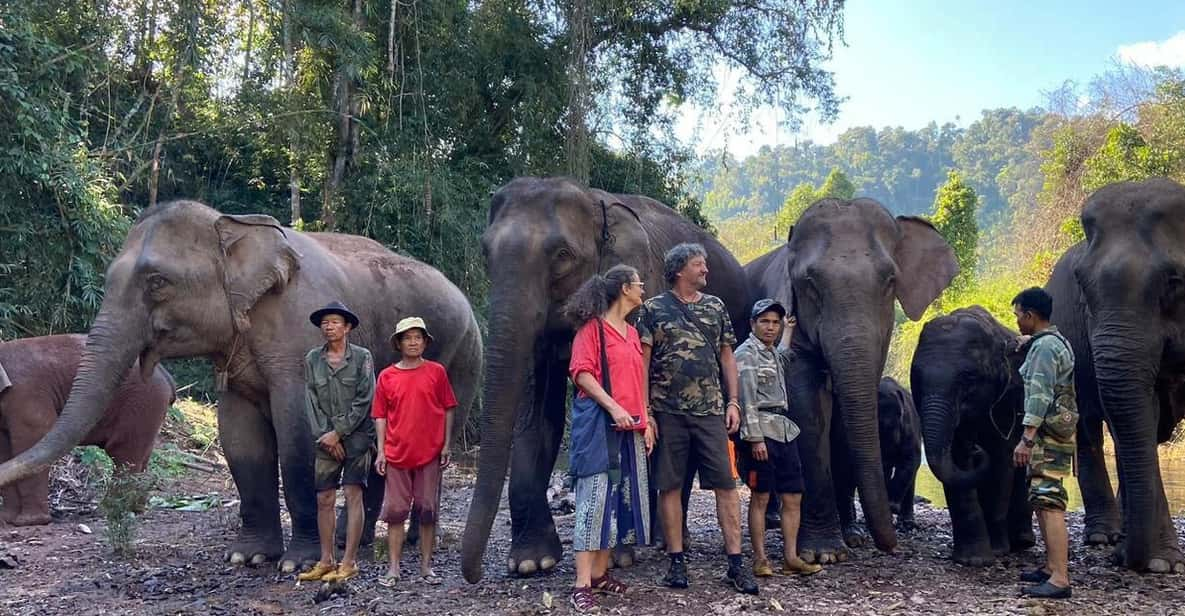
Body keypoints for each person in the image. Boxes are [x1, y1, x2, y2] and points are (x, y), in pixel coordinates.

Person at [637, 242, 759, 594]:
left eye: (704, 265)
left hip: (710, 413)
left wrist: (733, 402)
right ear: (679, 271)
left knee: (726, 485)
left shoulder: (715, 307)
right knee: (670, 485)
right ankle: (676, 562)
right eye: (698, 265)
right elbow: (643, 362)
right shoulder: (654, 309)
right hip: (668, 412)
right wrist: (646, 411)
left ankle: (736, 563)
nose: (705, 270)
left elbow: (727, 358)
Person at [563, 264, 653, 612]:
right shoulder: (592, 330)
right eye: (639, 284)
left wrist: (645, 421)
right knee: (593, 501)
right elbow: (582, 374)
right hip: (600, 427)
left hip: (629, 429)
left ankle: (600, 574)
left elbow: (635, 381)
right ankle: (581, 583)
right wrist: (613, 407)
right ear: (625, 288)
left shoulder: (631, 333)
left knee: (616, 504)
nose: (643, 289)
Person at [735, 299, 822, 578]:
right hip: (760, 431)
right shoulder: (745, 354)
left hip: (784, 431)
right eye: (765, 322)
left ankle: (790, 556)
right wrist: (755, 438)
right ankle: (760, 559)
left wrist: (790, 330)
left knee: (793, 496)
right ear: (753, 324)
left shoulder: (772, 353)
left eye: (775, 322)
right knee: (760, 497)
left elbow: (784, 355)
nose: (771, 327)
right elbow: (745, 397)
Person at [372, 316, 458, 588]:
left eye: (417, 337)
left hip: (429, 452)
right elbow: (380, 415)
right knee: (396, 511)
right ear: (399, 343)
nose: (413, 342)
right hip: (397, 453)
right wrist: (382, 451)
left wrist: (446, 444)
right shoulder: (387, 376)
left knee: (427, 509)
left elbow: (448, 408)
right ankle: (394, 568)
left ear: (425, 342)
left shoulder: (436, 372)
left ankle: (425, 567)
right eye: (407, 337)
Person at [298, 301, 376, 584]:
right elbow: (311, 399)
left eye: (334, 322)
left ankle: (349, 561)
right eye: (325, 323)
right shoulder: (312, 359)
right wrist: (326, 435)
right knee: (324, 498)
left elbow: (366, 398)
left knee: (353, 494)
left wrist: (339, 432)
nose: (328, 326)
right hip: (324, 439)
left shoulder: (362, 357)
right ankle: (326, 560)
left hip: (357, 437)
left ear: (348, 327)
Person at [1012, 287, 1076, 599]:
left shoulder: (1044, 350)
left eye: (1018, 316)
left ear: (1031, 316)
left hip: (1046, 436)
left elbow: (1039, 396)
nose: (1016, 323)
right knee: (1042, 499)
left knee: (1050, 505)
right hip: (1055, 433)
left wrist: (1026, 439)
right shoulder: (1053, 342)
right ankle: (1051, 567)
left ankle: (1060, 579)